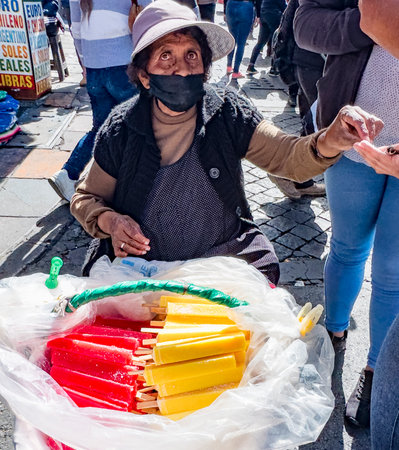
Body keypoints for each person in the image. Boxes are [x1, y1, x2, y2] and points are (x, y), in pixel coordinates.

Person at [70, 0, 382, 285]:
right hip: (142, 271)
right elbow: (86, 198)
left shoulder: (228, 111)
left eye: (191, 55)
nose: (180, 67)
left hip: (220, 263)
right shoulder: (122, 128)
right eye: (166, 56)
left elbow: (287, 156)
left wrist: (331, 139)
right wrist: (110, 221)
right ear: (144, 76)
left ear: (205, 67)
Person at [295, 0, 399, 429]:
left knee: (393, 270)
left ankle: (376, 370)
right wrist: (371, 23)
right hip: (353, 141)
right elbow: (305, 26)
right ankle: (333, 332)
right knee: (347, 247)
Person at [48, 0, 140, 202]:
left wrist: (86, 65)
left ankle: (68, 173)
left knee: (100, 127)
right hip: (125, 66)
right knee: (137, 125)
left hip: (94, 68)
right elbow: (147, 19)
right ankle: (127, 184)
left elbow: (77, 30)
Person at [267, 0, 326, 199]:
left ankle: (300, 179)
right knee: (317, 124)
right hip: (313, 62)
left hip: (312, 61)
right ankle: (285, 171)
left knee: (311, 122)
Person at [246, 0, 286, 75]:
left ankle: (251, 65)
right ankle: (273, 68)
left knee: (261, 42)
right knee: (276, 42)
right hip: (274, 15)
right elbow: (283, 6)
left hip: (263, 14)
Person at [224, 0, 259, 78]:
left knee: (232, 39)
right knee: (241, 43)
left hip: (231, 5)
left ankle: (229, 67)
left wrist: (224, 11)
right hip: (246, 6)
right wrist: (258, 15)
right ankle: (236, 72)